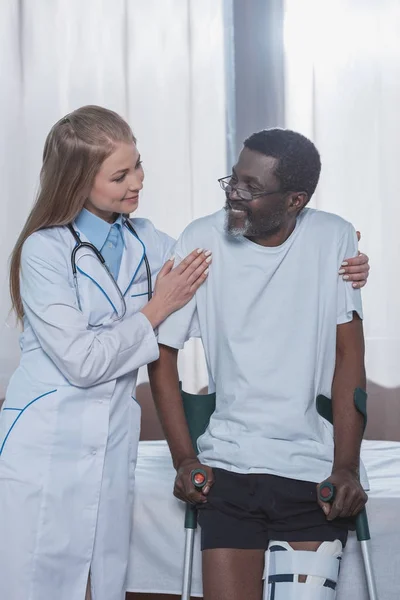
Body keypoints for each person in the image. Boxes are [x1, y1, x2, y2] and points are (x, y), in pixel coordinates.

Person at [0, 105, 212, 600]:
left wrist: (326, 258)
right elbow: (83, 361)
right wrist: (157, 308)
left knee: (105, 579)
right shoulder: (44, 251)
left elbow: (216, 279)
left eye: (138, 165)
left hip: (113, 434)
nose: (137, 181)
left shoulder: (148, 240)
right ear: (78, 180)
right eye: (120, 175)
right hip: (46, 441)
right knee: (36, 583)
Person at [149, 128, 370, 600]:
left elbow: (350, 356)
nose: (234, 194)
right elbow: (161, 354)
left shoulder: (333, 237)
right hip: (228, 468)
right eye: (232, 180)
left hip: (311, 473)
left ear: (295, 200)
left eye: (250, 188)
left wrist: (346, 467)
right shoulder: (201, 239)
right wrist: (185, 458)